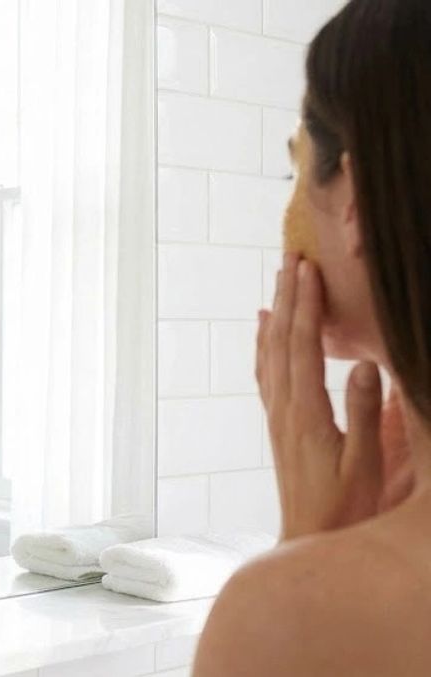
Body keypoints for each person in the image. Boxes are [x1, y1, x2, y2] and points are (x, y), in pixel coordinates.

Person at [194, 1, 431, 673]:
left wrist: (306, 552)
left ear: (357, 201)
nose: (289, 213)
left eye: (295, 170)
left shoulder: (289, 614)